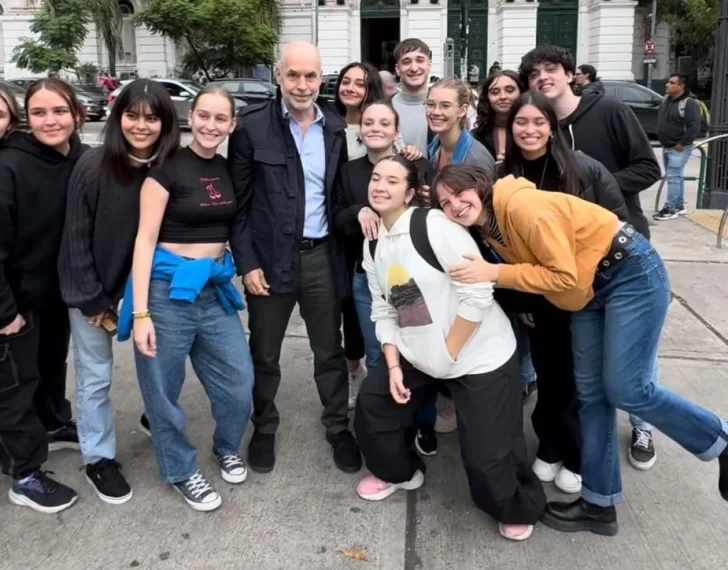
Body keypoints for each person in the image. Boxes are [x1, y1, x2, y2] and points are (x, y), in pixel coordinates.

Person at [432, 163, 728, 536]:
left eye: (460, 194)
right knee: (590, 397)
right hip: (587, 292)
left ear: (479, 186)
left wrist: (494, 274)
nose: (455, 205)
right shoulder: (488, 228)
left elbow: (564, 278)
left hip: (629, 273)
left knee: (628, 388)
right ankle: (599, 505)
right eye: (445, 202)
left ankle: (720, 440)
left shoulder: (522, 207)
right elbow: (562, 282)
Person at [353, 155, 546, 542]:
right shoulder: (373, 243)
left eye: (392, 181)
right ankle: (400, 472)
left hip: (479, 355)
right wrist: (392, 366)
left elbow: (477, 293)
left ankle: (515, 505)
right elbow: (384, 308)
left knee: (488, 457)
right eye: (376, 178)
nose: (380, 186)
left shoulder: (434, 226)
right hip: (416, 352)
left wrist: (448, 353)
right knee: (373, 408)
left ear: (409, 193)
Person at [520, 44, 662, 469]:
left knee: (629, 361)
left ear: (569, 74)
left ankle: (642, 425)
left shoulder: (611, 111)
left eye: (551, 69)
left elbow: (648, 168)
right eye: (534, 74)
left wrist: (590, 190)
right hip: (573, 269)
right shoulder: (541, 136)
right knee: (584, 369)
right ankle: (576, 453)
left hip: (622, 253)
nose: (543, 77)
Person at [228, 41, 361, 475]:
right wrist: (247, 264)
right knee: (264, 352)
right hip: (268, 260)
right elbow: (239, 206)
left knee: (329, 349)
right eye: (293, 75)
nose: (302, 85)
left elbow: (337, 195)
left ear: (320, 77)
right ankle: (264, 425)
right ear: (277, 75)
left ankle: (338, 425)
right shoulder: (251, 129)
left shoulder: (335, 128)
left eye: (310, 76)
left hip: (321, 257)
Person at [121, 86, 254, 512]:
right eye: (204, 116)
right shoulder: (166, 169)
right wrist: (141, 312)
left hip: (213, 289)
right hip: (165, 291)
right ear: (190, 117)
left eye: (221, 119)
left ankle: (227, 446)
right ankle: (180, 469)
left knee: (239, 382)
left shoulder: (230, 168)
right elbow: (143, 241)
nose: (211, 125)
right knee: (162, 389)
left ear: (232, 124)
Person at [496, 90, 629, 494]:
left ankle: (577, 455)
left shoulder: (584, 170)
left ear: (553, 127)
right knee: (550, 377)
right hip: (539, 299)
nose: (530, 130)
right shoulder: (505, 179)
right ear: (511, 126)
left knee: (582, 382)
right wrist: (520, 302)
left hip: (586, 295)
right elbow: (502, 246)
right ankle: (550, 446)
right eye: (522, 122)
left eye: (539, 122)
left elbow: (617, 224)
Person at [58, 80, 180, 505]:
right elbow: (73, 238)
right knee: (94, 379)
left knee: (165, 364)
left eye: (152, 117)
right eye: (132, 115)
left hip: (150, 292)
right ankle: (99, 458)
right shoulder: (93, 166)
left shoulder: (170, 167)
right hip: (96, 292)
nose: (141, 125)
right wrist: (90, 298)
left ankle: (156, 417)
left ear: (166, 122)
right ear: (118, 117)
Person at [0, 78, 88, 513]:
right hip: (16, 302)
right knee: (16, 388)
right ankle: (25, 474)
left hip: (57, 292)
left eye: (59, 110)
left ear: (76, 114)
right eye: (39, 112)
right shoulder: (9, 166)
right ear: (25, 118)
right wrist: (5, 311)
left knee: (51, 366)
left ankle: (53, 424)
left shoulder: (81, 159)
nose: (50, 120)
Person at [333, 100, 434, 449]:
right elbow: (336, 213)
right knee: (378, 351)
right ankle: (390, 422)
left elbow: (430, 206)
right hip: (368, 275)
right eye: (368, 122)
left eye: (384, 123)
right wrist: (356, 211)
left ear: (396, 130)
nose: (375, 128)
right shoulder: (348, 171)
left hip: (407, 276)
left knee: (417, 348)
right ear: (360, 130)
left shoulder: (415, 164)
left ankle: (422, 422)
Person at [333, 62, 384, 406]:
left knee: (397, 321)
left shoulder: (382, 126)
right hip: (347, 242)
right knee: (350, 312)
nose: (351, 88)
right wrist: (354, 212)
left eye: (360, 83)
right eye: (345, 81)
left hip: (388, 252)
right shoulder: (329, 125)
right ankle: (355, 373)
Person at [653, 74, 700, 221]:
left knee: (673, 177)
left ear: (681, 86)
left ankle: (670, 208)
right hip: (667, 145)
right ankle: (679, 205)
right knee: (676, 176)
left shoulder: (689, 103)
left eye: (672, 83)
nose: (667, 85)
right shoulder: (666, 100)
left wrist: (682, 143)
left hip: (678, 147)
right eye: (668, 82)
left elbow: (694, 127)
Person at [426, 78, 495, 174]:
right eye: (430, 104)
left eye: (445, 106)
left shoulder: (476, 160)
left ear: (463, 110)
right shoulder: (434, 147)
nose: (435, 112)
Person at [391, 38, 433, 155]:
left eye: (420, 60)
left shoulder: (445, 105)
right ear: (397, 69)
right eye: (406, 62)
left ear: (429, 65)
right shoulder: (385, 107)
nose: (414, 68)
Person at [472, 70, 524, 162]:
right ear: (487, 98)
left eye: (509, 90)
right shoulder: (476, 136)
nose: (502, 97)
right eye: (495, 92)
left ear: (522, 93)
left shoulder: (534, 131)